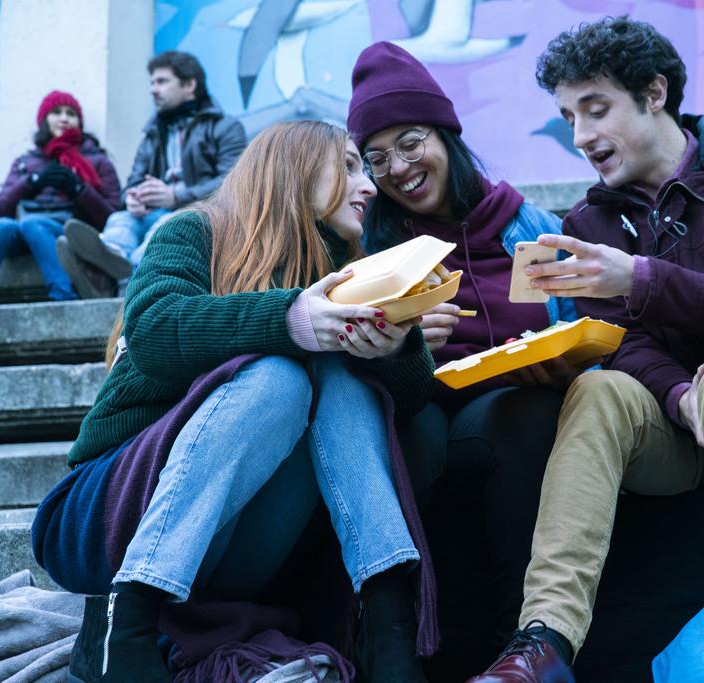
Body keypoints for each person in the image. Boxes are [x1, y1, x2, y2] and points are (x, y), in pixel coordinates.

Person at [468, 17, 704, 683]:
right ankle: (543, 641)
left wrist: (640, 278)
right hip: (676, 432)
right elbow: (626, 346)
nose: (580, 136)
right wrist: (680, 397)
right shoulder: (588, 224)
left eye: (596, 109)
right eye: (569, 117)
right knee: (597, 387)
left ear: (654, 93)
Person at [31, 121, 436, 682]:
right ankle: (128, 625)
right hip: (107, 518)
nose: (368, 185)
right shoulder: (193, 231)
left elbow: (413, 401)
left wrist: (394, 350)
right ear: (294, 168)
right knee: (280, 378)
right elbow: (152, 330)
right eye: (347, 166)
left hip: (233, 547)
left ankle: (388, 628)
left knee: (341, 374)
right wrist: (289, 319)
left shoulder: (345, 273)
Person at [346, 41, 581, 677]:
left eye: (410, 143)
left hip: (523, 405)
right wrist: (406, 342)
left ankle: (524, 650)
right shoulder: (372, 249)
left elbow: (569, 320)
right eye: (377, 158)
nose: (398, 168)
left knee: (525, 416)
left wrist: (564, 359)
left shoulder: (529, 227)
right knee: (436, 436)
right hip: (425, 411)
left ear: (445, 135)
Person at [57, 50, 246, 298]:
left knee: (164, 226)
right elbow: (132, 183)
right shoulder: (152, 134)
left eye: (162, 82)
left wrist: (176, 196)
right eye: (152, 83)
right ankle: (110, 259)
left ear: (189, 85)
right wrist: (133, 198)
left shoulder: (226, 127)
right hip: (151, 212)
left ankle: (117, 280)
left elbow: (233, 183)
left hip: (199, 214)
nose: (153, 90)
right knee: (121, 219)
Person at [0, 91, 120, 304]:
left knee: (34, 225)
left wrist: (78, 189)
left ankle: (63, 296)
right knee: (2, 227)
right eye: (57, 112)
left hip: (68, 231)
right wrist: (32, 182)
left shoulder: (98, 161)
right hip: (24, 229)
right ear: (44, 120)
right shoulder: (25, 162)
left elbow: (112, 216)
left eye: (71, 114)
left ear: (79, 122)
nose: (64, 118)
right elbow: (1, 209)